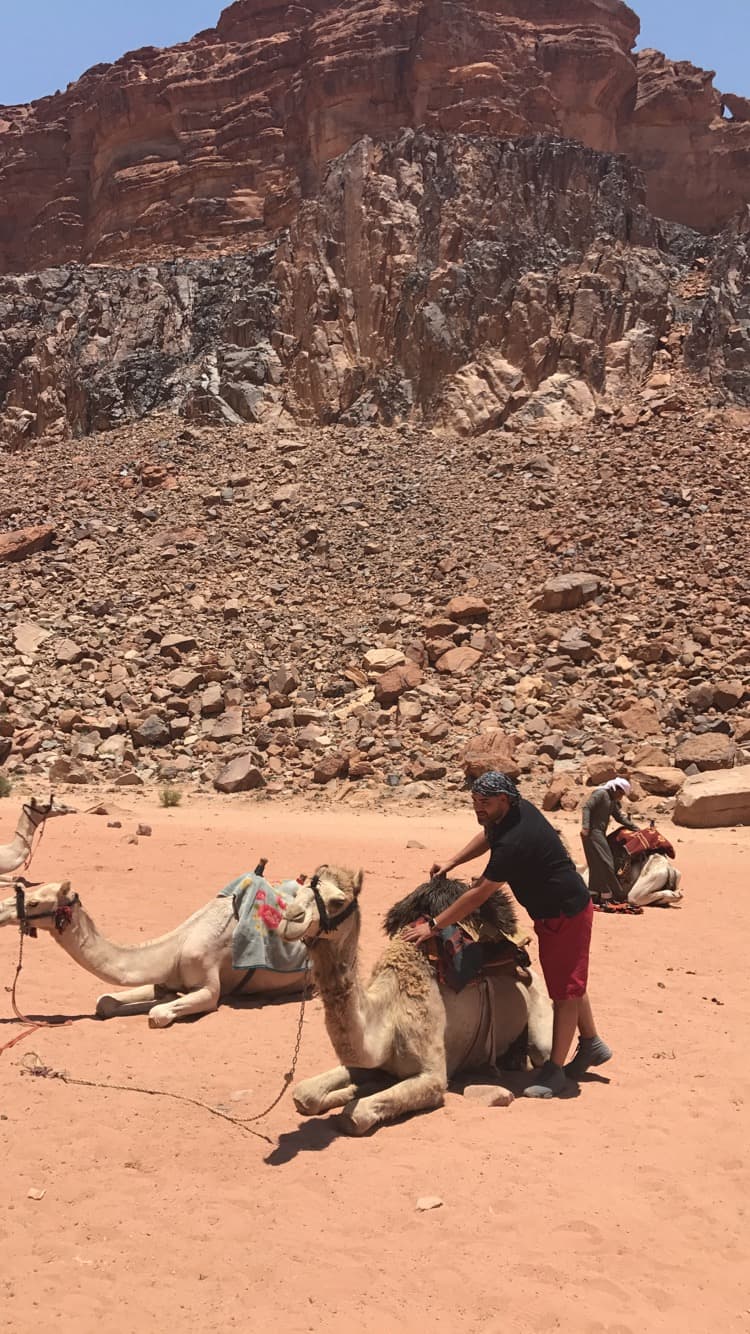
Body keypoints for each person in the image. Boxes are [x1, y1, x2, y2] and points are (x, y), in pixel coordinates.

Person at [401, 771, 611, 1098]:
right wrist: (453, 860)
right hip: (552, 913)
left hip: (564, 913)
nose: (478, 808)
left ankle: (555, 1072)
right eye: (474, 802)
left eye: (484, 802)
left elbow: (480, 893)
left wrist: (434, 926)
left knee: (565, 993)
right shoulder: (515, 811)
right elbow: (488, 835)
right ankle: (592, 1044)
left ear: (504, 799)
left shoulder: (516, 839)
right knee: (568, 977)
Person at [580, 777, 638, 905]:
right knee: (607, 862)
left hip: (599, 833)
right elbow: (587, 808)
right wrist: (585, 826)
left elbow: (619, 817)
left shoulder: (611, 800)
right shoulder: (601, 794)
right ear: (615, 788)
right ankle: (616, 894)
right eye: (621, 793)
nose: (621, 797)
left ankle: (594, 893)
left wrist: (635, 828)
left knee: (596, 863)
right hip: (592, 832)